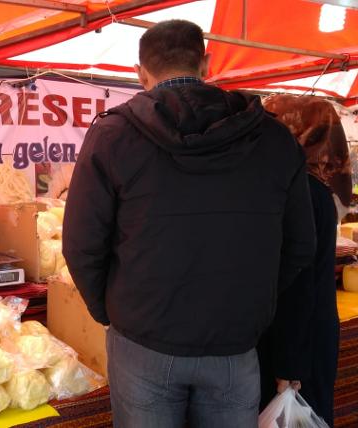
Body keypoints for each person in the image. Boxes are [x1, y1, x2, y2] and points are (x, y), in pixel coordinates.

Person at [62, 19, 317, 427]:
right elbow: (301, 245)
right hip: (233, 345)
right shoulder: (273, 139)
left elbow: (81, 244)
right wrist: (249, 299)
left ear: (140, 72)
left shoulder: (112, 136)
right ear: (206, 63)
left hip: (143, 341)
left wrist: (109, 310)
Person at [257, 94, 351, 427]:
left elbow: (297, 284)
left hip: (299, 337)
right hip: (311, 329)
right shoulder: (314, 187)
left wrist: (288, 366)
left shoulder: (303, 193)